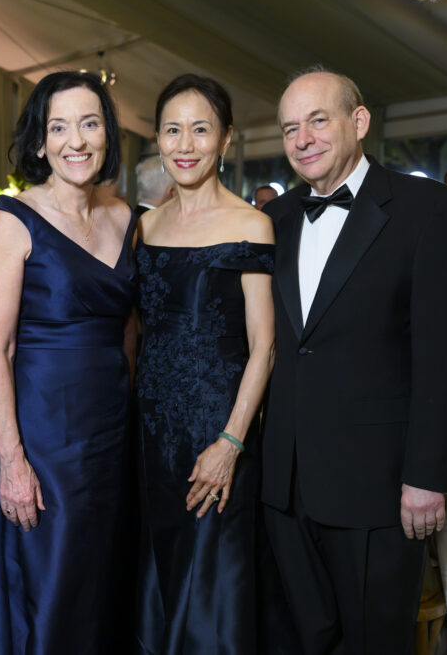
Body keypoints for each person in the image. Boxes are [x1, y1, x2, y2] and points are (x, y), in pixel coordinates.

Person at [261, 67, 447, 655]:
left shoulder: (426, 209)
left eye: (317, 120)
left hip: (377, 487)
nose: (302, 138)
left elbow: (446, 357)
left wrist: (427, 476)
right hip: (285, 483)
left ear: (359, 122)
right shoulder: (272, 223)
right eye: (289, 128)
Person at [0, 70, 137, 654]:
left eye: (90, 123)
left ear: (107, 134)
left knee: (105, 584)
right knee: (50, 585)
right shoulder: (11, 221)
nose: (77, 139)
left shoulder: (125, 218)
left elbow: (130, 333)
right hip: (43, 440)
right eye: (59, 126)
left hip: (112, 437)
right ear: (40, 142)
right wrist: (12, 460)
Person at [134, 74, 275, 653]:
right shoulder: (144, 227)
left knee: (214, 591)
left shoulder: (251, 224)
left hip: (218, 433)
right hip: (149, 431)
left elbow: (264, 346)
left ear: (225, 139)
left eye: (200, 129)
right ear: (159, 140)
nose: (185, 144)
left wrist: (231, 442)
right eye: (172, 130)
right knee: (158, 577)